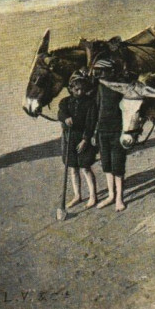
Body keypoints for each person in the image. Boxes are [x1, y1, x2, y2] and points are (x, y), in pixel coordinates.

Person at [90, 59, 128, 211]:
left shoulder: (120, 86)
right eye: (98, 72)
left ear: (111, 71)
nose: (99, 75)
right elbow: (97, 109)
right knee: (106, 164)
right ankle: (111, 195)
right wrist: (94, 131)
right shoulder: (99, 87)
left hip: (118, 131)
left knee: (118, 166)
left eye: (102, 71)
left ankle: (119, 198)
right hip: (102, 132)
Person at [57, 71, 98, 209]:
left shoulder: (90, 103)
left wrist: (85, 140)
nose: (80, 92)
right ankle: (77, 195)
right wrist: (65, 117)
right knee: (73, 168)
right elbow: (60, 112)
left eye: (82, 89)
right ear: (71, 88)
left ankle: (93, 196)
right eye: (76, 89)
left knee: (85, 167)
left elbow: (91, 122)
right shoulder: (65, 102)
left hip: (82, 139)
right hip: (69, 139)